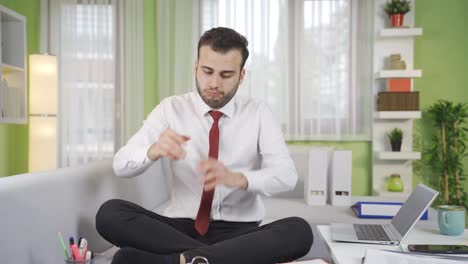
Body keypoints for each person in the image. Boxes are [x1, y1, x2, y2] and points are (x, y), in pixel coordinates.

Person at [96, 27, 313, 264]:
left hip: (241, 231)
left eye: (226, 74)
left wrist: (238, 179)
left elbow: (286, 176)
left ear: (241, 75)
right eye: (207, 71)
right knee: (110, 214)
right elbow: (121, 165)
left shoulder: (258, 112)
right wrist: (152, 150)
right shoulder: (171, 108)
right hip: (178, 228)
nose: (214, 82)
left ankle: (179, 260)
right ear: (195, 67)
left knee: (300, 231)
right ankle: (217, 259)